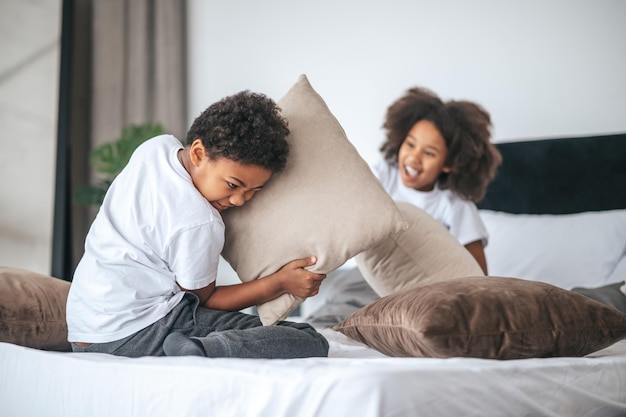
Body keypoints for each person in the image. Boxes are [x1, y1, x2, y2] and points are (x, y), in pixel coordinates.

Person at [66, 90, 329, 358]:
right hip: (135, 332)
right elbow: (206, 300)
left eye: (254, 191)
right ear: (199, 153)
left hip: (82, 327)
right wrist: (280, 283)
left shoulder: (156, 148)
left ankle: (194, 345)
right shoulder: (200, 221)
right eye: (233, 185)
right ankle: (204, 348)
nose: (239, 200)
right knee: (311, 339)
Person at [374, 87, 502, 274]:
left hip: (425, 281)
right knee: (338, 291)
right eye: (410, 144)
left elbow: (479, 275)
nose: (413, 158)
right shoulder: (383, 174)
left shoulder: (455, 205)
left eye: (429, 153)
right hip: (377, 271)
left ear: (448, 163)